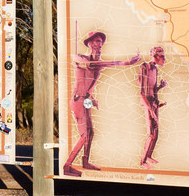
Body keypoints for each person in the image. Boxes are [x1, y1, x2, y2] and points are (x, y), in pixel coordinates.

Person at [64, 30, 141, 176]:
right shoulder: (80, 58)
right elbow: (92, 64)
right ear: (90, 43)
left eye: (101, 41)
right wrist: (126, 62)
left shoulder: (97, 64)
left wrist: (92, 98)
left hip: (86, 100)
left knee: (90, 133)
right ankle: (67, 166)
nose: (100, 44)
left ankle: (85, 161)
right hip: (77, 100)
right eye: (98, 41)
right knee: (84, 135)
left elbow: (92, 78)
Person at [138, 45, 167, 168]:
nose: (164, 60)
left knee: (156, 132)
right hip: (147, 103)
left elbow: (152, 89)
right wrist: (151, 110)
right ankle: (143, 161)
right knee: (151, 133)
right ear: (155, 56)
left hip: (154, 102)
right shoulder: (144, 67)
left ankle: (149, 155)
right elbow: (142, 92)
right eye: (162, 57)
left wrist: (160, 87)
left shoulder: (155, 70)